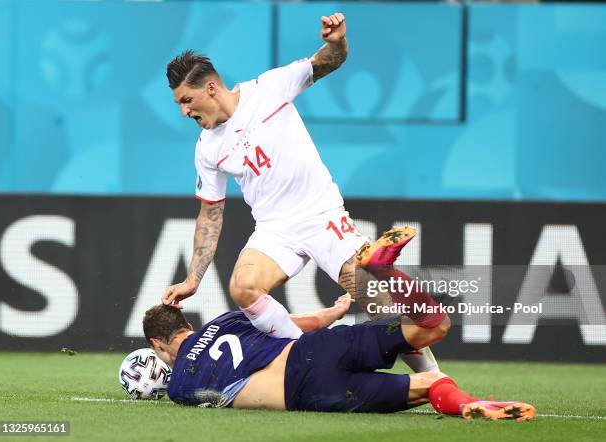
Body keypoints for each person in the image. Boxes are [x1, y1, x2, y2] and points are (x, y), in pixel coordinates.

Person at [161, 11, 443, 374]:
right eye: (179, 104)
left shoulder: (269, 88)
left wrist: (336, 41)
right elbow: (210, 214)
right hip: (275, 230)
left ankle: (434, 379)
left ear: (211, 88)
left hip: (322, 217)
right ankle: (305, 358)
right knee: (244, 287)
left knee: (381, 306)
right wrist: (193, 279)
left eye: (186, 100)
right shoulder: (207, 148)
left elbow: (328, 62)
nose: (184, 111)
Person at [142, 300, 535, 420]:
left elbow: (214, 389)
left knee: (426, 389)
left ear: (158, 344)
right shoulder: (227, 319)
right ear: (187, 322)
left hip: (312, 392)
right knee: (428, 326)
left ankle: (465, 403)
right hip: (317, 347)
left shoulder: (181, 387)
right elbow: (298, 322)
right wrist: (334, 312)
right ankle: (384, 272)